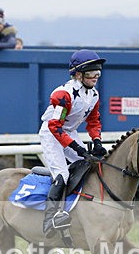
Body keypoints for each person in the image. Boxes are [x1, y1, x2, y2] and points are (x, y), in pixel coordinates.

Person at [38, 49, 107, 237]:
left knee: (91, 164)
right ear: (78, 74)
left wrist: (97, 140)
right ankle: (50, 218)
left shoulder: (93, 95)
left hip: (68, 132)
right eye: (92, 73)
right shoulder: (63, 95)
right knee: (62, 174)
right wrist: (76, 147)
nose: (96, 77)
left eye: (98, 72)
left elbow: (94, 122)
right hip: (51, 133)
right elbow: (55, 127)